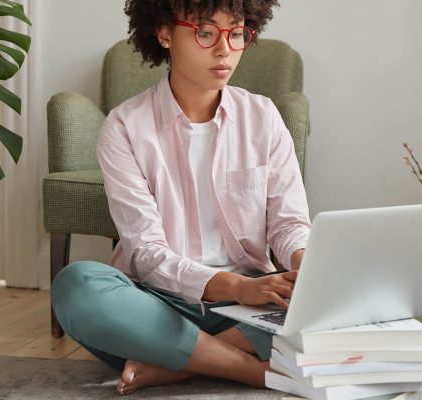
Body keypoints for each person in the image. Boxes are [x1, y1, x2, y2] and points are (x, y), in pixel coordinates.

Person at [50, 0, 310, 395]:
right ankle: (251, 370)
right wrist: (235, 288)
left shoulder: (263, 117)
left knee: (345, 303)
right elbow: (147, 254)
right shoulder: (124, 127)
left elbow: (289, 224)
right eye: (206, 33)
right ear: (165, 33)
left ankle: (176, 366)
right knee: (77, 286)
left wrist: (305, 264)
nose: (225, 49)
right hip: (156, 305)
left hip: (250, 307)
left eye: (236, 32)